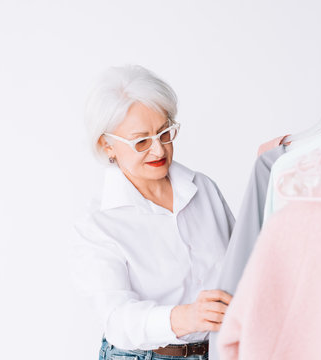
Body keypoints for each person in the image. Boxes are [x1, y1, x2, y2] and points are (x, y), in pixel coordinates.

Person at [72, 64, 235, 360]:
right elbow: (117, 320)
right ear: (106, 145)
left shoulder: (203, 189)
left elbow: (242, 265)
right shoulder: (99, 224)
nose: (159, 151)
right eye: (141, 141)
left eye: (165, 133)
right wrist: (187, 317)